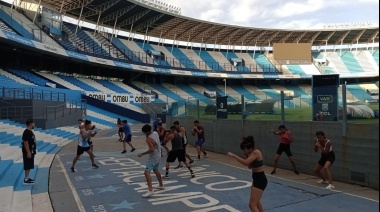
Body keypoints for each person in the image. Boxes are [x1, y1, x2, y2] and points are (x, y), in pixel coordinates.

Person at [227, 136, 267, 212]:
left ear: (249, 148)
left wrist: (233, 155)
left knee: (252, 205)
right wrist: (246, 155)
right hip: (256, 179)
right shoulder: (251, 155)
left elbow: (246, 163)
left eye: (244, 149)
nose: (243, 151)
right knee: (256, 201)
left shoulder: (256, 152)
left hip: (260, 180)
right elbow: (249, 166)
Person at [138, 124, 165, 198]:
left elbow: (152, 149)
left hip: (153, 157)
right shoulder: (155, 133)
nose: (144, 134)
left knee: (146, 172)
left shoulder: (149, 139)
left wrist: (142, 154)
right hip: (158, 154)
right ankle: (161, 185)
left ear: (148, 131)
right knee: (156, 169)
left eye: (145, 132)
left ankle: (150, 190)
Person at [22, 119, 37, 184]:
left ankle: (27, 177)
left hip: (31, 150)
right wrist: (28, 152)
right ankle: (26, 179)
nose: (34, 124)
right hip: (28, 151)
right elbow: (25, 142)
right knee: (28, 163)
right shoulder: (26, 132)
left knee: (29, 164)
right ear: (30, 124)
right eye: (33, 123)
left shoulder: (30, 131)